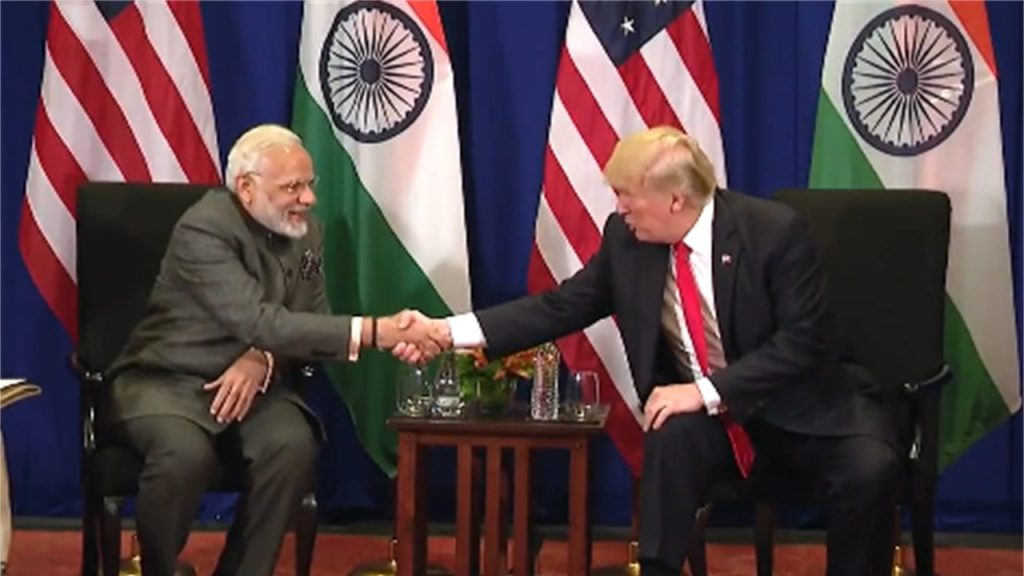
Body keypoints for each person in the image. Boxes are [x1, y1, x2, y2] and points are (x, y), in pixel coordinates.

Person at [397, 127, 900, 576]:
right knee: (670, 433)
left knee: (870, 468)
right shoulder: (629, 240)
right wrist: (446, 332)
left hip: (806, 406)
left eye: (626, 196)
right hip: (715, 421)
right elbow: (560, 307)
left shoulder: (773, 233)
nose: (618, 208)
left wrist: (703, 390)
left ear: (676, 201)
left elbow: (802, 342)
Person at [103, 124, 439, 576]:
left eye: (310, 185)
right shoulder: (205, 228)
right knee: (183, 454)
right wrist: (377, 331)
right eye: (293, 187)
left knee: (291, 445)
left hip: (257, 385)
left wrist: (260, 358)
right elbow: (258, 321)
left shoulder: (307, 233)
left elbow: (309, 322)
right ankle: (160, 569)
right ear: (246, 188)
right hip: (168, 379)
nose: (309, 199)